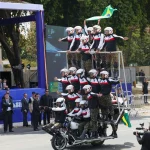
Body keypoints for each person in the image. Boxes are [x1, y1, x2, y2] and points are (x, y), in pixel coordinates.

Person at [99, 71, 120, 138]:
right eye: (101, 75)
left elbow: (115, 82)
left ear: (106, 75)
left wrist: (118, 80)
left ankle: (114, 132)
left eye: (102, 75)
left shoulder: (109, 80)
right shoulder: (100, 80)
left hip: (107, 96)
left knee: (111, 119)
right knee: (104, 116)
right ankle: (104, 132)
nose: (101, 76)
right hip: (102, 96)